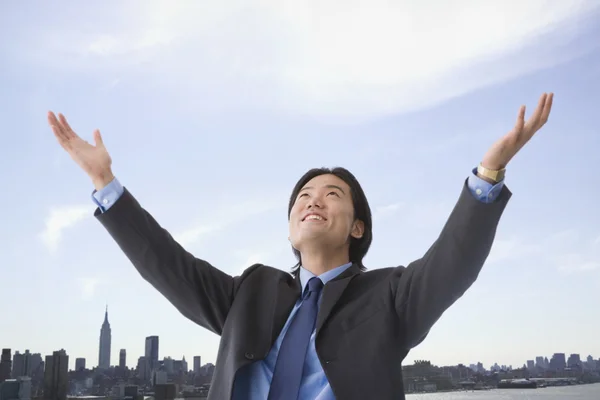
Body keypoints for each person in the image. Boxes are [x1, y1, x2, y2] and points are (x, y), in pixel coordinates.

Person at [47, 92, 553, 400]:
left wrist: (488, 175)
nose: (314, 202)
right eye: (303, 197)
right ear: (290, 228)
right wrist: (106, 184)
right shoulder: (250, 291)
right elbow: (167, 264)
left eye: (332, 195)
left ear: (357, 228)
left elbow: (453, 261)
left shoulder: (391, 295)